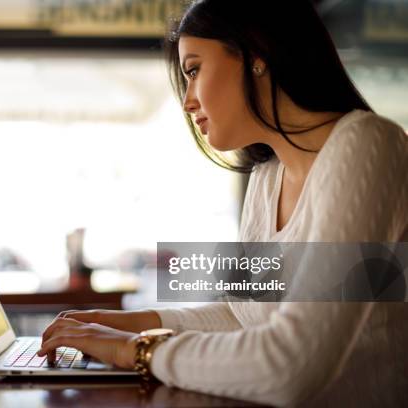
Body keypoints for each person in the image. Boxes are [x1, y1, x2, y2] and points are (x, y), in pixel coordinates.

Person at [37, 0, 408, 406]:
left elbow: (291, 366)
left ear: (257, 53)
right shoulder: (269, 176)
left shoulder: (369, 143)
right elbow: (241, 315)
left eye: (194, 70)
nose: (187, 101)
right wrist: (123, 325)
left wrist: (133, 349)